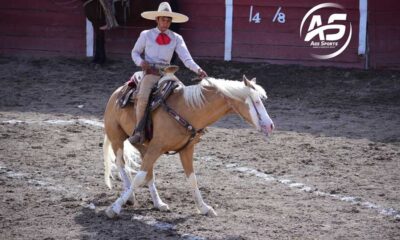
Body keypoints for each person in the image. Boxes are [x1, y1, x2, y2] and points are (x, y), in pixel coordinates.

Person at [129, 2, 208, 144]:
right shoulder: (146, 35)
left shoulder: (176, 38)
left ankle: (195, 127)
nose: (166, 23)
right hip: (151, 72)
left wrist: (198, 70)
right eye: (163, 19)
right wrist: (140, 62)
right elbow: (135, 52)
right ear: (157, 20)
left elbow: (186, 58)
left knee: (185, 94)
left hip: (168, 73)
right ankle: (139, 131)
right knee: (142, 98)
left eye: (168, 20)